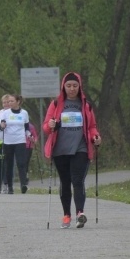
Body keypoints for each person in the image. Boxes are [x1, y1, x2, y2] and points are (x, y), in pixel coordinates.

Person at [43, 72, 102, 228]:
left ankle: (80, 213)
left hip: (80, 148)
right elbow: (46, 127)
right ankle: (67, 215)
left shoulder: (86, 105)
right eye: (68, 86)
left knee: (78, 180)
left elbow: (92, 127)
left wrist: (95, 137)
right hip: (60, 150)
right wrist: (51, 126)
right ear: (63, 86)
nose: (72, 89)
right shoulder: (56, 104)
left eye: (75, 86)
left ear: (79, 86)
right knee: (65, 181)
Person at [0, 95, 31, 194]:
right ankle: (10, 186)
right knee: (8, 164)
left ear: (18, 102)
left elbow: (26, 128)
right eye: (8, 101)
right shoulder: (5, 113)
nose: (9, 103)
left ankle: (23, 185)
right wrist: (2, 126)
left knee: (21, 163)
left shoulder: (24, 113)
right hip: (8, 142)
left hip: (20, 141)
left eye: (12, 101)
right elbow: (1, 126)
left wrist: (29, 135)